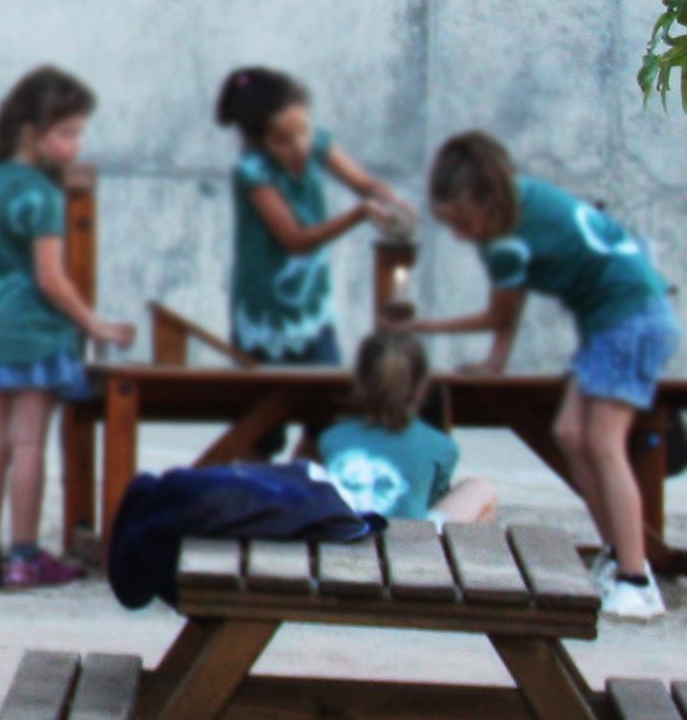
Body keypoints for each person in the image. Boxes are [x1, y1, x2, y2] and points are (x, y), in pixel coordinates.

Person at [396, 130, 676, 620]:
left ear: (484, 200)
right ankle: (619, 556)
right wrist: (492, 364)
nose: (460, 234)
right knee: (569, 433)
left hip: (631, 320)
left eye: (462, 221)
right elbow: (507, 316)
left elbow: (498, 316)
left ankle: (637, 578)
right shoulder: (521, 200)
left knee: (603, 444)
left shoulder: (504, 240)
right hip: (615, 323)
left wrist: (419, 326)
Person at [0, 66, 137, 593]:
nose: (75, 144)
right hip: (35, 332)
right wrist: (95, 324)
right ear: (32, 132)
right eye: (68, 133)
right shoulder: (42, 195)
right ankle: (24, 556)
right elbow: (51, 278)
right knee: (29, 443)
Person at [214, 66, 413, 364]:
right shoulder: (253, 172)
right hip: (267, 315)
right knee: (267, 389)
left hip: (313, 308)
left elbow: (365, 185)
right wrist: (358, 215)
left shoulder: (317, 144)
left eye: (303, 132)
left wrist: (390, 201)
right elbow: (295, 240)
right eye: (283, 141)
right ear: (259, 141)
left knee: (328, 386)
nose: (299, 147)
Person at [317, 331, 496, 526]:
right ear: (422, 389)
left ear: (359, 382)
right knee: (479, 488)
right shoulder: (441, 446)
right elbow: (431, 500)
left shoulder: (331, 438)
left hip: (341, 532)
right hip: (410, 538)